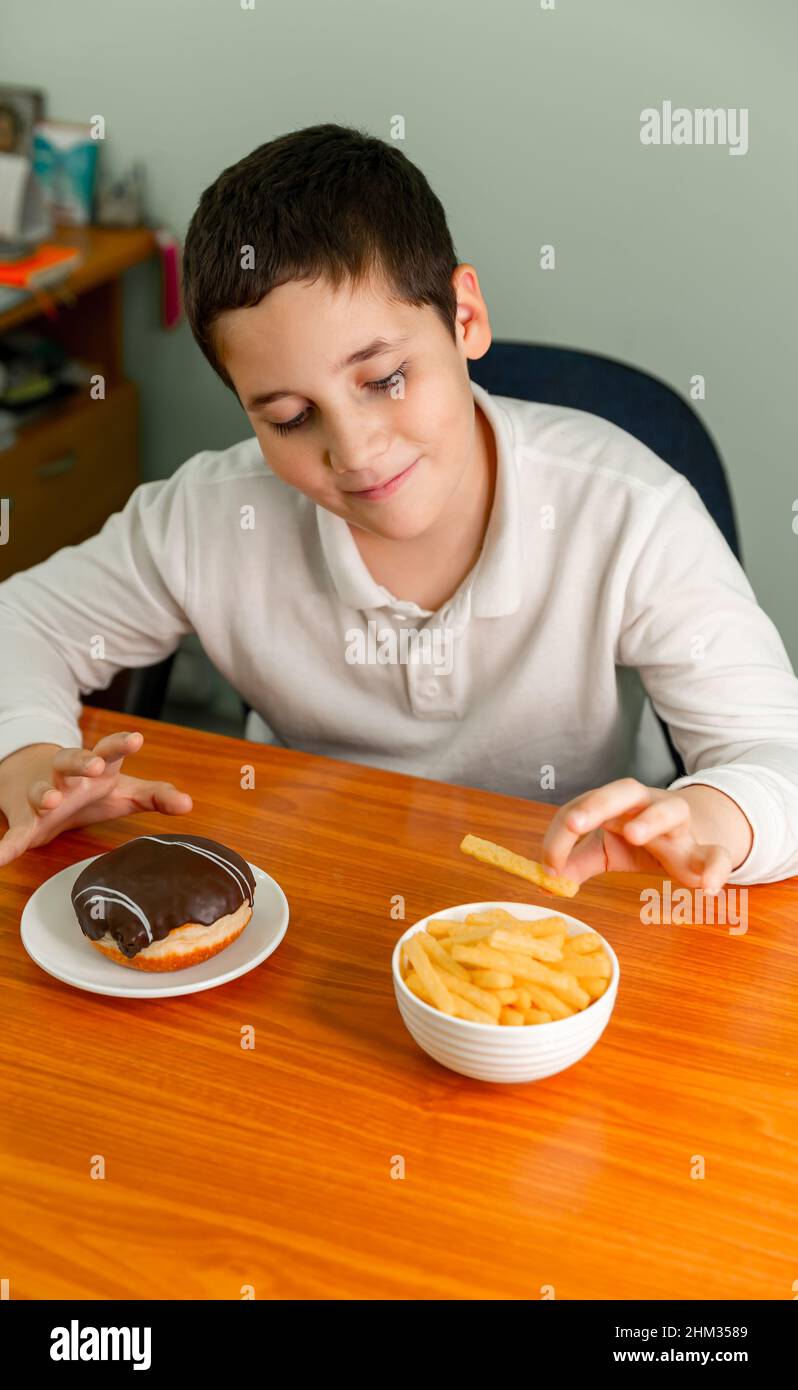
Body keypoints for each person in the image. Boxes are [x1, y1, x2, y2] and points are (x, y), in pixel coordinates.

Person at [2, 122, 798, 892]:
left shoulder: (630, 511)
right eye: (291, 417)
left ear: (465, 317)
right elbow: (22, 625)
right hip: (317, 885)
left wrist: (714, 817)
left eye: (384, 379)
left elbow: (775, 755)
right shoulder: (210, 517)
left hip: (568, 901)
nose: (355, 452)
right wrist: (26, 755)